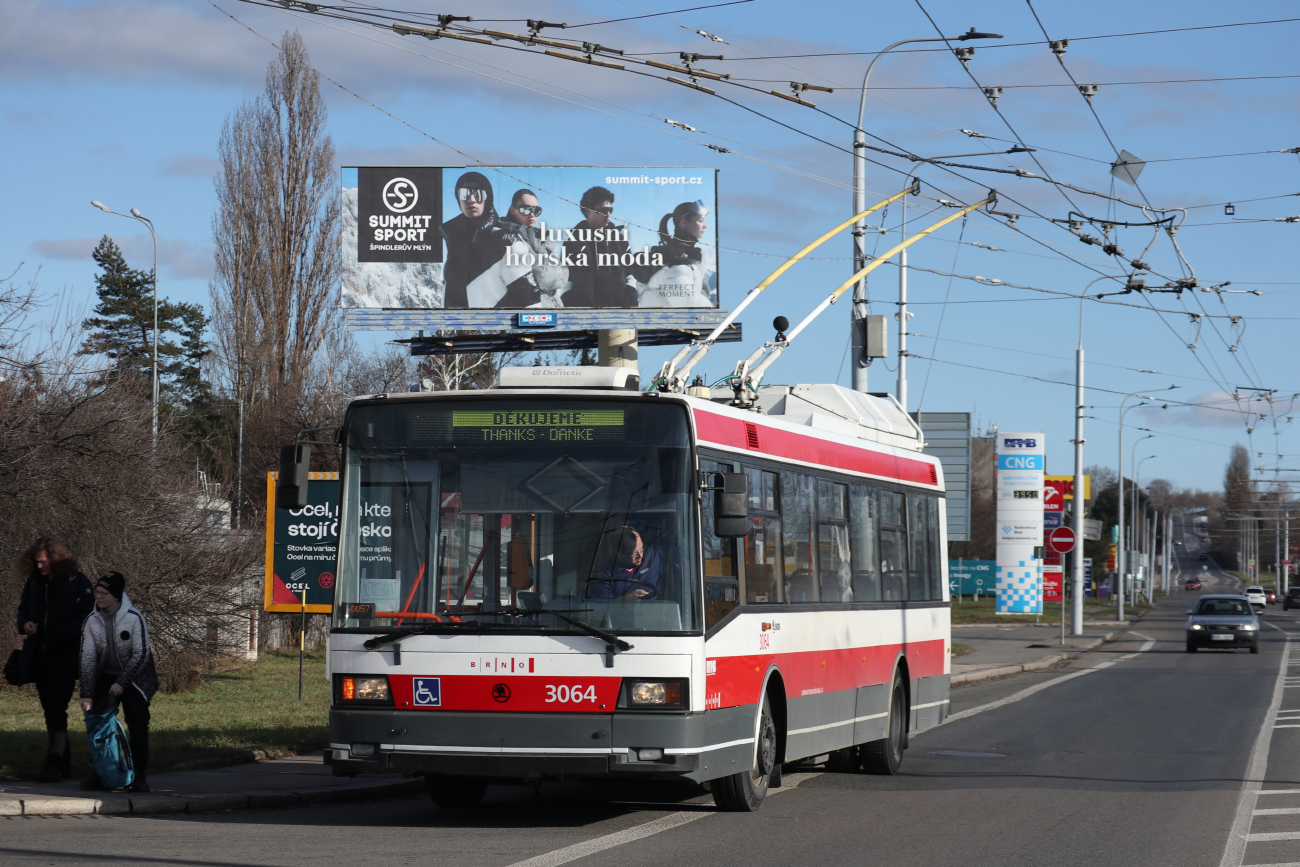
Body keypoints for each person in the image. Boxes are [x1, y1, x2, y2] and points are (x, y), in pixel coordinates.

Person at [14, 537, 94, 783]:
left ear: (54, 558)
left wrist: (63, 632)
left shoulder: (74, 580)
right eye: (36, 562)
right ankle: (63, 762)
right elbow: (23, 608)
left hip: (66, 655)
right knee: (50, 709)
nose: (39, 566)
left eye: (43, 562)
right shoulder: (35, 582)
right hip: (40, 654)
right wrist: (24, 624)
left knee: (56, 707)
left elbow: (89, 614)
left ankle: (53, 764)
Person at [79, 571, 158, 793]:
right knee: (97, 722)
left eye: (104, 593)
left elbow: (141, 654)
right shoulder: (91, 621)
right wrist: (86, 694)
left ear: (116, 595)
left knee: (138, 724)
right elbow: (87, 658)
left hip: (136, 677)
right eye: (97, 592)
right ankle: (100, 773)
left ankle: (139, 777)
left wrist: (122, 683)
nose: (99, 597)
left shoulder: (134, 617)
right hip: (107, 674)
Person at [561, 186, 637, 308]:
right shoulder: (572, 242)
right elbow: (566, 282)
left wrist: (631, 300)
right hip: (587, 315)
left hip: (620, 311)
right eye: (603, 210)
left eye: (610, 210)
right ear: (587, 211)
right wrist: (574, 308)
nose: (608, 215)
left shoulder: (620, 239)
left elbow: (630, 275)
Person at [440, 171, 507, 308]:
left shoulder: (504, 235)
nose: (471, 199)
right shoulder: (450, 235)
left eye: (478, 193)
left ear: (487, 198)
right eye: (464, 194)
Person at [632, 200, 716, 307]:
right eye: (700, 221)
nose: (705, 226)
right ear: (684, 222)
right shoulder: (680, 265)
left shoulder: (675, 256)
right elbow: (691, 310)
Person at [497, 189, 568, 307]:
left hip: (550, 306)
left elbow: (563, 275)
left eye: (536, 210)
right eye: (525, 209)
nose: (532, 214)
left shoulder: (539, 240)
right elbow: (539, 280)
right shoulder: (506, 237)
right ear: (512, 210)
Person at [588, 526, 661, 600]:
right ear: (618, 553)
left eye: (641, 549)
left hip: (656, 609)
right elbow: (601, 603)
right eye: (634, 553)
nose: (640, 555)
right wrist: (625, 599)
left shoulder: (653, 555)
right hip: (623, 610)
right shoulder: (604, 574)